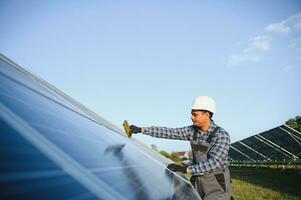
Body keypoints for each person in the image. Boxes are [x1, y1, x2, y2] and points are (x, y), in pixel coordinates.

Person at [127, 96, 231, 200]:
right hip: (197, 180)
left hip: (216, 184)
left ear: (207, 115)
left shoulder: (221, 135)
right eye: (192, 114)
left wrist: (185, 169)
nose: (191, 117)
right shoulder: (192, 131)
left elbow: (214, 162)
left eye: (195, 114)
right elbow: (170, 132)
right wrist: (141, 129)